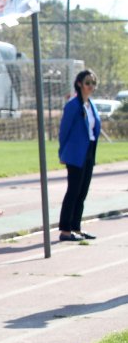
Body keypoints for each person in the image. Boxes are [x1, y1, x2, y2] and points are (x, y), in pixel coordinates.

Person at [58, 69, 102, 241]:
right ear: (79, 84)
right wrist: (62, 152)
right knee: (73, 191)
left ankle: (76, 227)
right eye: (87, 83)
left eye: (93, 83)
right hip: (75, 153)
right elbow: (64, 131)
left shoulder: (90, 105)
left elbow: (93, 129)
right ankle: (65, 230)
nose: (91, 86)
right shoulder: (72, 105)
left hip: (89, 151)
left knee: (82, 192)